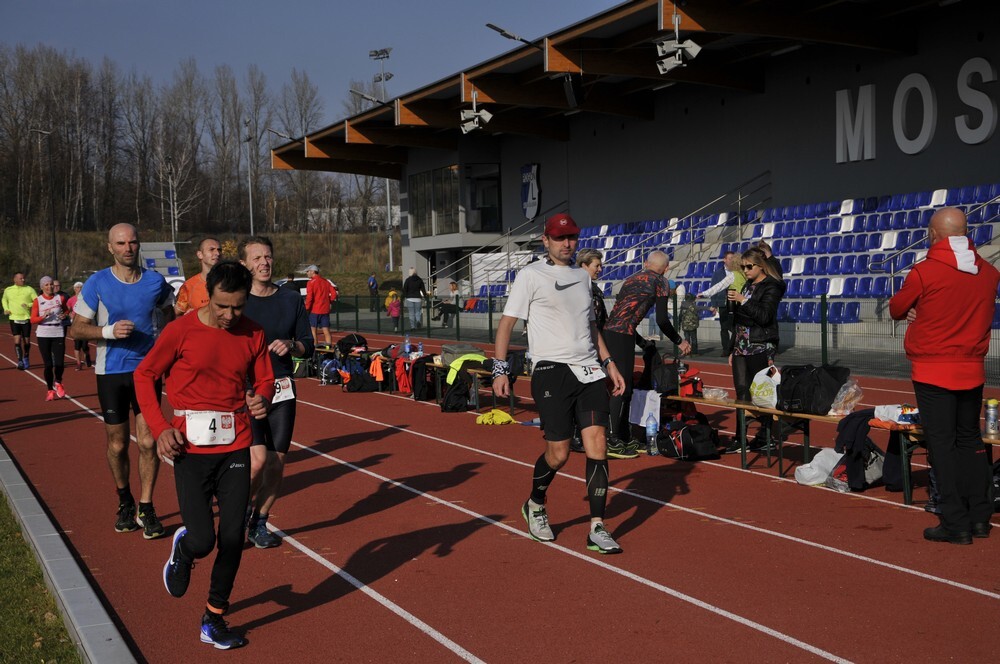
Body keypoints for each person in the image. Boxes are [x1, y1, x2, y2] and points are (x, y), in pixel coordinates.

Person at [136, 261, 274, 650]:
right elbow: (145, 376)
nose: (231, 315)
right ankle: (184, 547)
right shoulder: (180, 331)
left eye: (238, 307)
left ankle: (213, 618)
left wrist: (261, 397)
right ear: (207, 295)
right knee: (203, 541)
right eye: (222, 306)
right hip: (190, 449)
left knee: (232, 537)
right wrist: (161, 428)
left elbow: (264, 377)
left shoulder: (254, 332)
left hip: (235, 446)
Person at [492, 213, 627, 554]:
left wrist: (609, 363)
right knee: (559, 453)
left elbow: (592, 327)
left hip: (589, 371)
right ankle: (535, 504)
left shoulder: (583, 278)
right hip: (551, 370)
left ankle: (597, 526)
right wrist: (499, 369)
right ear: (546, 240)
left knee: (597, 444)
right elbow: (507, 324)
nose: (567, 244)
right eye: (560, 238)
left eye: (572, 238)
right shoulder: (530, 275)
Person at [889, 207, 999, 545]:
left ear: (934, 235)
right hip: (972, 366)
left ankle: (954, 520)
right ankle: (980, 514)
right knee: (970, 439)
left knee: (942, 445)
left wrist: (919, 310)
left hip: (934, 367)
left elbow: (895, 308)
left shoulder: (925, 272)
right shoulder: (989, 272)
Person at [71, 223, 176, 539]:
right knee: (117, 445)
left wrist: (164, 341)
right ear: (110, 247)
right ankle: (124, 500)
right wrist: (108, 331)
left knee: (148, 441)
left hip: (146, 372)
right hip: (111, 372)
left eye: (132, 242)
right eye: (121, 243)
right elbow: (76, 329)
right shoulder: (97, 283)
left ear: (139, 244)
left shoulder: (156, 282)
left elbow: (170, 315)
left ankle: (146, 505)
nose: (128, 248)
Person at [240, 237, 314, 549]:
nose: (264, 263)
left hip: (282, 387)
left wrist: (292, 345)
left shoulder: (290, 298)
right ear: (245, 264)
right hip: (248, 390)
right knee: (256, 462)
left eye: (267, 257)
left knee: (276, 463)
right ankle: (238, 513)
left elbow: (307, 345)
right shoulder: (239, 300)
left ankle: (260, 520)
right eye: (256, 258)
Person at [603, 250, 691, 458]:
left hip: (612, 333)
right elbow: (661, 319)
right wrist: (679, 341)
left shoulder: (631, 278)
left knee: (626, 386)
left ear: (645, 263)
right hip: (622, 335)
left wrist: (642, 342)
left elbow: (622, 313)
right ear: (666, 268)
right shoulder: (660, 281)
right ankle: (612, 438)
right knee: (622, 386)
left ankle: (622, 435)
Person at [726, 247, 785, 453]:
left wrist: (743, 301)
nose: (746, 270)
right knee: (741, 392)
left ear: (761, 266)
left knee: (762, 394)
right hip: (742, 345)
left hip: (760, 344)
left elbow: (764, 316)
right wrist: (733, 348)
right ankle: (740, 438)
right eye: (743, 267)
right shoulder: (748, 285)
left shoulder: (772, 286)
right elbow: (739, 320)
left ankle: (765, 436)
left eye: (749, 266)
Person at [697, 251, 745, 356]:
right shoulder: (743, 274)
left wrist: (704, 293)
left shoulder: (734, 275)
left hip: (734, 304)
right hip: (736, 304)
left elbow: (719, 286)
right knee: (728, 327)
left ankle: (732, 348)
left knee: (733, 328)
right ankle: (729, 348)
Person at [30, 276, 69, 400]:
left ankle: (58, 381)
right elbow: (32, 319)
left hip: (58, 331)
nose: (50, 286)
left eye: (51, 284)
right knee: (48, 364)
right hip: (43, 333)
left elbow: (66, 310)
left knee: (59, 363)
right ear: (42, 287)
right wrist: (43, 316)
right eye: (46, 285)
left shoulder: (60, 298)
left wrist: (64, 315)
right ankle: (49, 390)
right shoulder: (38, 300)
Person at [175, 237, 221, 315]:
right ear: (200, 254)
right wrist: (187, 316)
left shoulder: (230, 282)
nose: (217, 253)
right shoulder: (189, 286)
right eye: (211, 249)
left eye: (219, 250)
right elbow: (176, 314)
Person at [3, 271, 37, 370]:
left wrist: (28, 305)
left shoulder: (29, 289)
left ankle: (26, 357)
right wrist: (6, 309)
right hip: (14, 318)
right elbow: (4, 299)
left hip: (26, 318)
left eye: (23, 278)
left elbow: (36, 301)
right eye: (21, 278)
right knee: (17, 340)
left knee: (27, 341)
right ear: (15, 279)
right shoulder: (8, 290)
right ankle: (20, 361)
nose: (23, 280)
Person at [304, 264, 335, 347]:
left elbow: (309, 297)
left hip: (315, 310)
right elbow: (334, 293)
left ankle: (315, 349)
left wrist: (306, 308)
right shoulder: (326, 281)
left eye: (308, 271)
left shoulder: (310, 283)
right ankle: (329, 348)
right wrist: (330, 302)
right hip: (325, 310)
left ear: (313, 272)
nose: (307, 273)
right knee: (326, 330)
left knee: (313, 330)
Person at [67, 281, 92, 370]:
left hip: (85, 323)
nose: (79, 289)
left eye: (81, 287)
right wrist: (70, 314)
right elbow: (67, 310)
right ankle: (78, 363)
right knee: (77, 345)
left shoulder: (87, 298)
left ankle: (87, 354)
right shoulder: (71, 300)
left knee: (84, 345)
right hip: (75, 324)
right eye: (77, 287)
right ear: (74, 289)